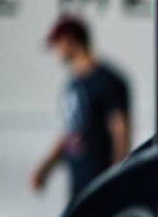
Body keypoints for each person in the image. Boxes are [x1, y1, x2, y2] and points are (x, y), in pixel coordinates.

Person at [31, 15, 131, 202]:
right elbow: (70, 132)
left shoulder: (107, 81)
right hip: (78, 182)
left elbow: (121, 131)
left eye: (56, 44)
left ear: (69, 40)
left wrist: (117, 178)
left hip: (101, 181)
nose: (55, 52)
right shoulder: (74, 84)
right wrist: (45, 168)